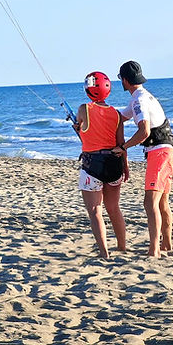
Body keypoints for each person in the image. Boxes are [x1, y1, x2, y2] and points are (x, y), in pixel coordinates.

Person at [112, 60, 173, 258]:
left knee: (150, 203)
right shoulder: (141, 97)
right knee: (162, 202)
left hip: (159, 153)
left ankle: (154, 250)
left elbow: (144, 131)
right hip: (167, 152)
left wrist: (123, 147)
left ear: (124, 80)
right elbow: (119, 117)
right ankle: (166, 245)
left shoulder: (139, 100)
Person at [74, 71, 128, 258]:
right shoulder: (117, 114)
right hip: (114, 164)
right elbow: (121, 144)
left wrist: (78, 129)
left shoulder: (83, 109)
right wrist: (125, 167)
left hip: (92, 165)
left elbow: (84, 133)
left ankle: (104, 253)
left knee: (96, 210)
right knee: (114, 208)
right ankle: (122, 246)